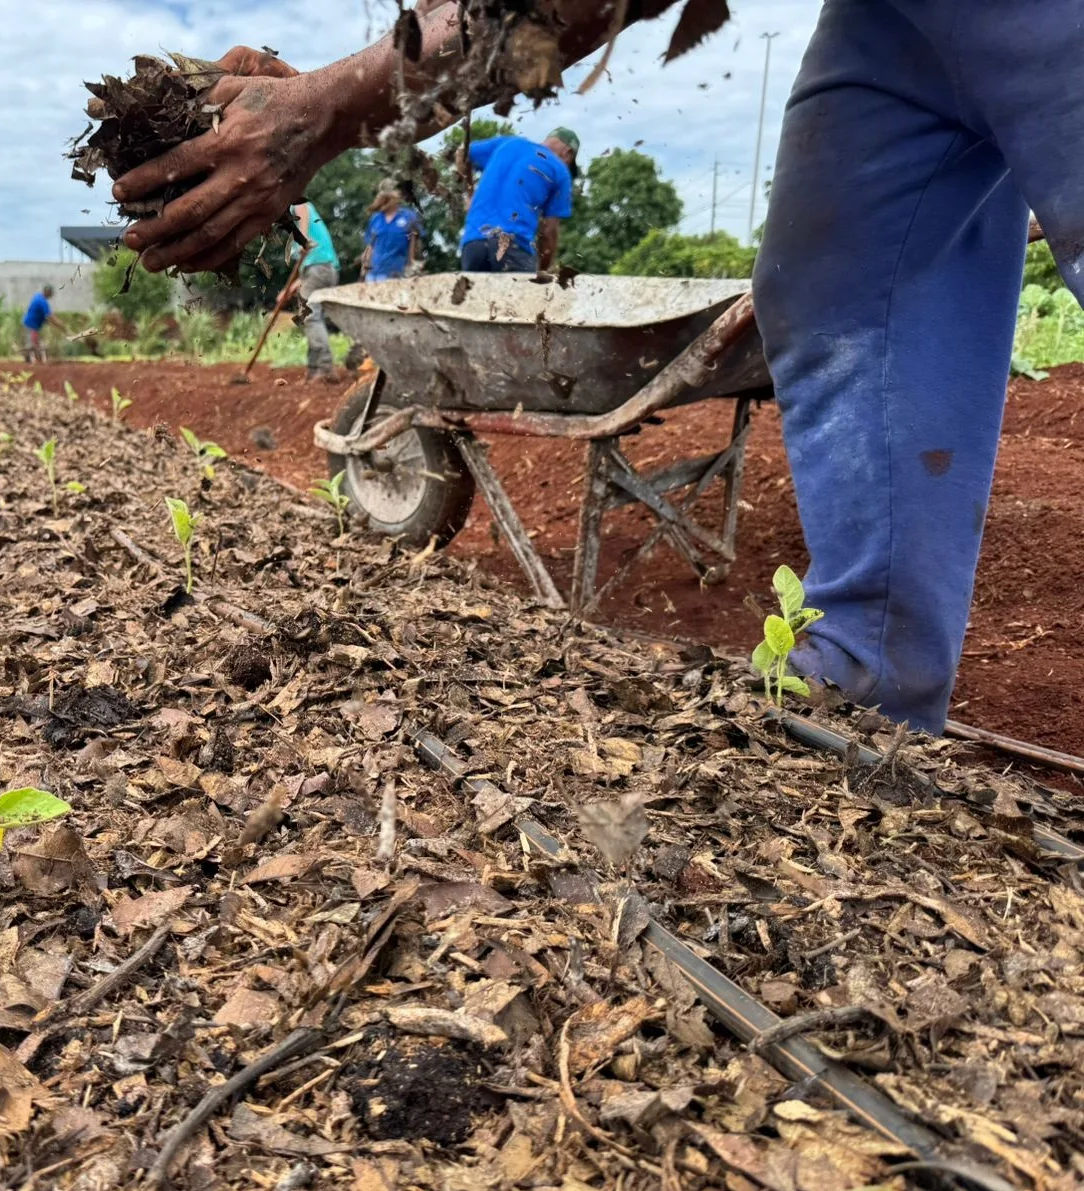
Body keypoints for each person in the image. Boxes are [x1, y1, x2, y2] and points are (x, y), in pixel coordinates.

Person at [109, 3, 1084, 734]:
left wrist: (323, 108)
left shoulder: (522, 161)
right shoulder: (539, 166)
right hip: (898, 24)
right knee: (832, 285)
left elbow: (554, 14)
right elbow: (537, 199)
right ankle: (867, 681)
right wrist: (333, 94)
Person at [458, 127, 577, 274]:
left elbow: (461, 153)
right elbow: (549, 231)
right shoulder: (560, 170)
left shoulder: (508, 143)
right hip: (512, 246)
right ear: (568, 153)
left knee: (476, 297)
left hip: (473, 245)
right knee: (525, 296)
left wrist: (470, 194)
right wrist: (543, 271)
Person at [282, 201, 340, 379]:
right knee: (311, 317)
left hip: (319, 269)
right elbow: (306, 272)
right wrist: (288, 290)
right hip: (324, 269)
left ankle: (324, 367)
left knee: (309, 315)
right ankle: (315, 368)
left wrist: (302, 239)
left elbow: (301, 206)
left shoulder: (294, 204)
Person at [361, 182, 423, 281]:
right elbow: (370, 247)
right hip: (374, 274)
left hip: (398, 273)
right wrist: (364, 271)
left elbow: (414, 244)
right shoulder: (376, 219)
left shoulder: (408, 217)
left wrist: (412, 264)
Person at [23, 284, 55, 362]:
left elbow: (42, 313)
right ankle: (32, 359)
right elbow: (49, 315)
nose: (51, 295)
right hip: (32, 324)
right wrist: (59, 324)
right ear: (47, 292)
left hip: (32, 324)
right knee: (32, 342)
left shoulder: (38, 297)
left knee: (33, 341)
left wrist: (46, 321)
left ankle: (33, 358)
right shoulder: (42, 301)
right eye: (50, 293)